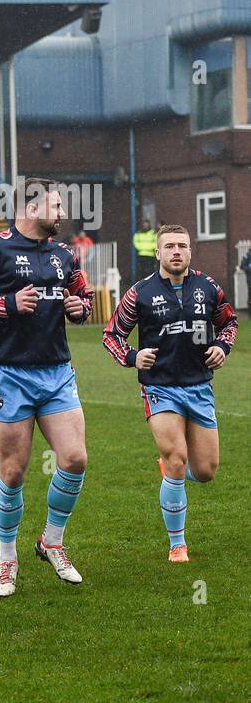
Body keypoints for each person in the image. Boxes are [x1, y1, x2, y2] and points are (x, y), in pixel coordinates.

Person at [0, 177, 93, 597]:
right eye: (55, 205)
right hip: (9, 374)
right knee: (13, 473)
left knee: (75, 459)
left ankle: (51, 541)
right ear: (30, 208)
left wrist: (79, 308)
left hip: (57, 372)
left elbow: (83, 302)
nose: (62, 213)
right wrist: (8, 305)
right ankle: (7, 558)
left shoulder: (65, 254)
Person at [103, 224, 237, 562]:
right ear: (159, 253)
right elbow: (111, 335)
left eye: (182, 246)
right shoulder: (140, 292)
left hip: (199, 387)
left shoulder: (208, 287)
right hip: (160, 388)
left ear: (190, 251)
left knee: (205, 471)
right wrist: (133, 357)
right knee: (176, 458)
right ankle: (177, 544)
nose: (176, 251)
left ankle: (172, 474)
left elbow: (229, 323)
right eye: (170, 246)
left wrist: (223, 346)